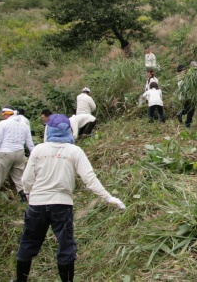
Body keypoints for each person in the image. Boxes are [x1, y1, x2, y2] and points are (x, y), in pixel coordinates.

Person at [14, 114, 125, 282]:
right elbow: (89, 179)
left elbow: (26, 180)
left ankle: (20, 280)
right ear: (69, 130)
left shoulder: (38, 150)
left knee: (28, 242)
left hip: (37, 204)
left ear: (48, 130)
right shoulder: (74, 151)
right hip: (62, 205)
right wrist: (108, 198)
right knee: (66, 247)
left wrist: (30, 194)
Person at [0, 106, 35, 205]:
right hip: (19, 153)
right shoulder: (24, 125)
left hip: (5, 153)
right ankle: (25, 200)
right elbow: (30, 143)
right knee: (19, 177)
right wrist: (34, 155)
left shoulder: (3, 123)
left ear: (6, 114)